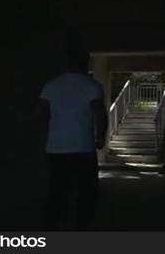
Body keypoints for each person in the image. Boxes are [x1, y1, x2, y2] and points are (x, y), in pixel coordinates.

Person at [37, 30, 108, 230]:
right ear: (85, 63)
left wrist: (48, 136)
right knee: (87, 192)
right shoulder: (92, 86)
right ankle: (81, 229)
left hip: (56, 148)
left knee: (57, 191)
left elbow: (41, 114)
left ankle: (50, 228)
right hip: (83, 148)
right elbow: (99, 114)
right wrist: (100, 137)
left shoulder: (51, 86)